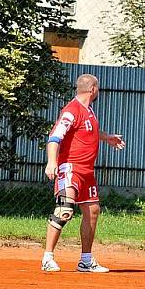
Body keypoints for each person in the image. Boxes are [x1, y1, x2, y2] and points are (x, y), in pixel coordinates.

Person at [41, 74, 125, 273]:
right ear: (93, 89)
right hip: (70, 168)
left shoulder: (89, 111)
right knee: (64, 210)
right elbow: (54, 138)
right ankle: (47, 257)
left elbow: (89, 132)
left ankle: (86, 261)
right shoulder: (71, 110)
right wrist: (52, 162)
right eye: (99, 88)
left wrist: (108, 138)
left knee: (92, 211)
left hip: (87, 171)